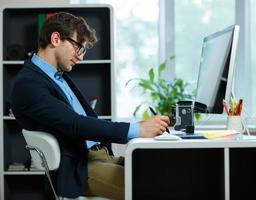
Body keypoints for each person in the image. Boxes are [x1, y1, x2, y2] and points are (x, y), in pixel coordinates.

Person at [11, 12, 169, 200]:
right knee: (154, 188)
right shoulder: (28, 84)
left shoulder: (56, 77)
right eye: (79, 47)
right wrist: (136, 130)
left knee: (164, 174)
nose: (80, 57)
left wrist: (141, 127)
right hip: (80, 168)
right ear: (55, 38)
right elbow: (76, 124)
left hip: (98, 157)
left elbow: (87, 121)